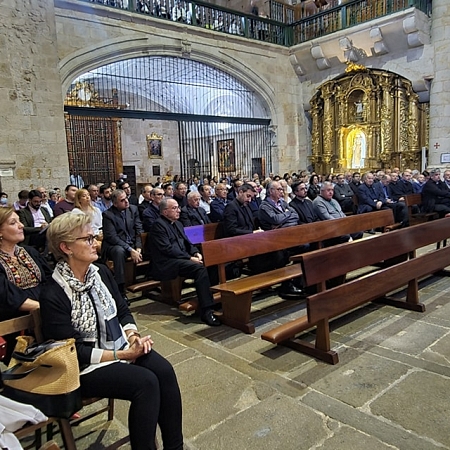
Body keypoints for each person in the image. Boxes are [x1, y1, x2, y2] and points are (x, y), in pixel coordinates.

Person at [40, 213, 183, 450]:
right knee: (145, 383)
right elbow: (72, 352)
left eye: (94, 236)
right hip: (82, 367)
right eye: (87, 239)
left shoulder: (100, 273)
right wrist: (123, 356)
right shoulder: (53, 293)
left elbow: (123, 311)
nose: (95, 242)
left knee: (164, 371)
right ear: (66, 247)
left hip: (119, 347)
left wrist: (133, 338)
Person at [147, 198, 221, 326]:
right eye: (175, 208)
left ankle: (210, 297)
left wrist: (195, 253)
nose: (179, 210)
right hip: (167, 263)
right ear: (165, 212)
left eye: (178, 207)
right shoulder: (158, 226)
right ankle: (206, 311)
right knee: (199, 269)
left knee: (211, 262)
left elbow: (188, 242)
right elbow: (167, 249)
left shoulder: (178, 223)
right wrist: (189, 257)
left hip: (181, 259)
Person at [0, 208, 52, 362]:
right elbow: (8, 296)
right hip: (15, 319)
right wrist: (45, 307)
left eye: (19, 221)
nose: (21, 225)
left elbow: (49, 279)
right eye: (13, 223)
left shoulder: (30, 252)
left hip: (45, 309)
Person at [102, 189, 143, 298]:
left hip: (132, 244)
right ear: (115, 204)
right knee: (118, 251)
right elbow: (112, 237)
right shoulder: (108, 215)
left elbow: (139, 230)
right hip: (115, 246)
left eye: (126, 198)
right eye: (122, 200)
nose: (126, 201)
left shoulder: (133, 210)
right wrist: (130, 249)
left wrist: (138, 247)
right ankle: (121, 289)